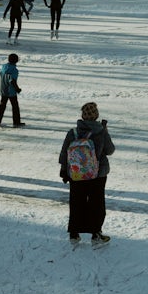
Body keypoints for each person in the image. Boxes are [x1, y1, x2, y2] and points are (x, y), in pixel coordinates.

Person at [60, 102, 115, 243]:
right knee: (96, 203)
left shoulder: (73, 132)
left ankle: (74, 233)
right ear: (96, 115)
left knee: (76, 201)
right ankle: (96, 233)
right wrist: (106, 131)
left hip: (76, 173)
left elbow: (64, 152)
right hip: (97, 174)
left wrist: (64, 170)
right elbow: (110, 150)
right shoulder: (101, 132)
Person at [0, 53, 24, 127]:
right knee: (15, 106)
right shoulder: (14, 70)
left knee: (2, 105)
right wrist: (17, 89)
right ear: (16, 61)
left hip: (3, 89)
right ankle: (16, 122)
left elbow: (1, 75)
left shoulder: (3, 67)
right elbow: (12, 80)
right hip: (11, 91)